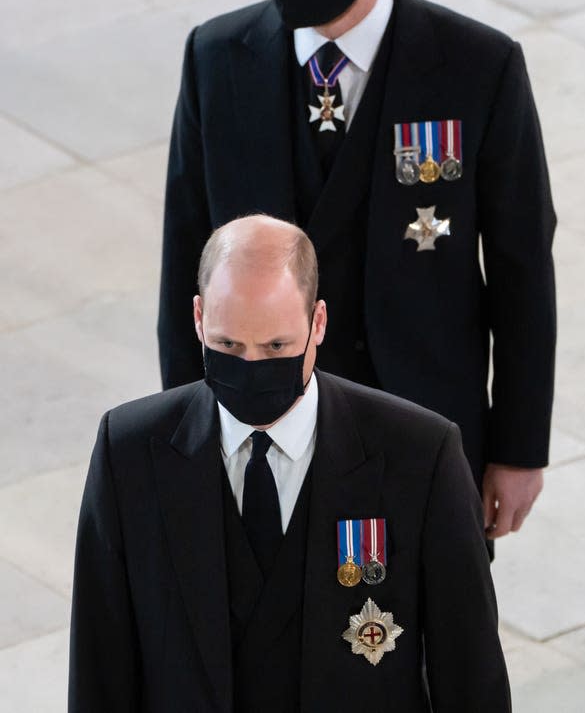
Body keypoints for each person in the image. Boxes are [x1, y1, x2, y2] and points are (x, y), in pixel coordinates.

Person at [158, 0, 556, 540]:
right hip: (262, 431)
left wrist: (519, 449)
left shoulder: (477, 69)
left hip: (424, 430)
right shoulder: (217, 60)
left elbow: (523, 268)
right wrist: (185, 434)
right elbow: (185, 256)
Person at [70, 215, 511, 712]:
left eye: (276, 346)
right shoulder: (129, 452)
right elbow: (99, 667)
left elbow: (471, 675)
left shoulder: (420, 455)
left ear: (317, 323)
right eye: (228, 345)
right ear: (198, 318)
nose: (252, 367)